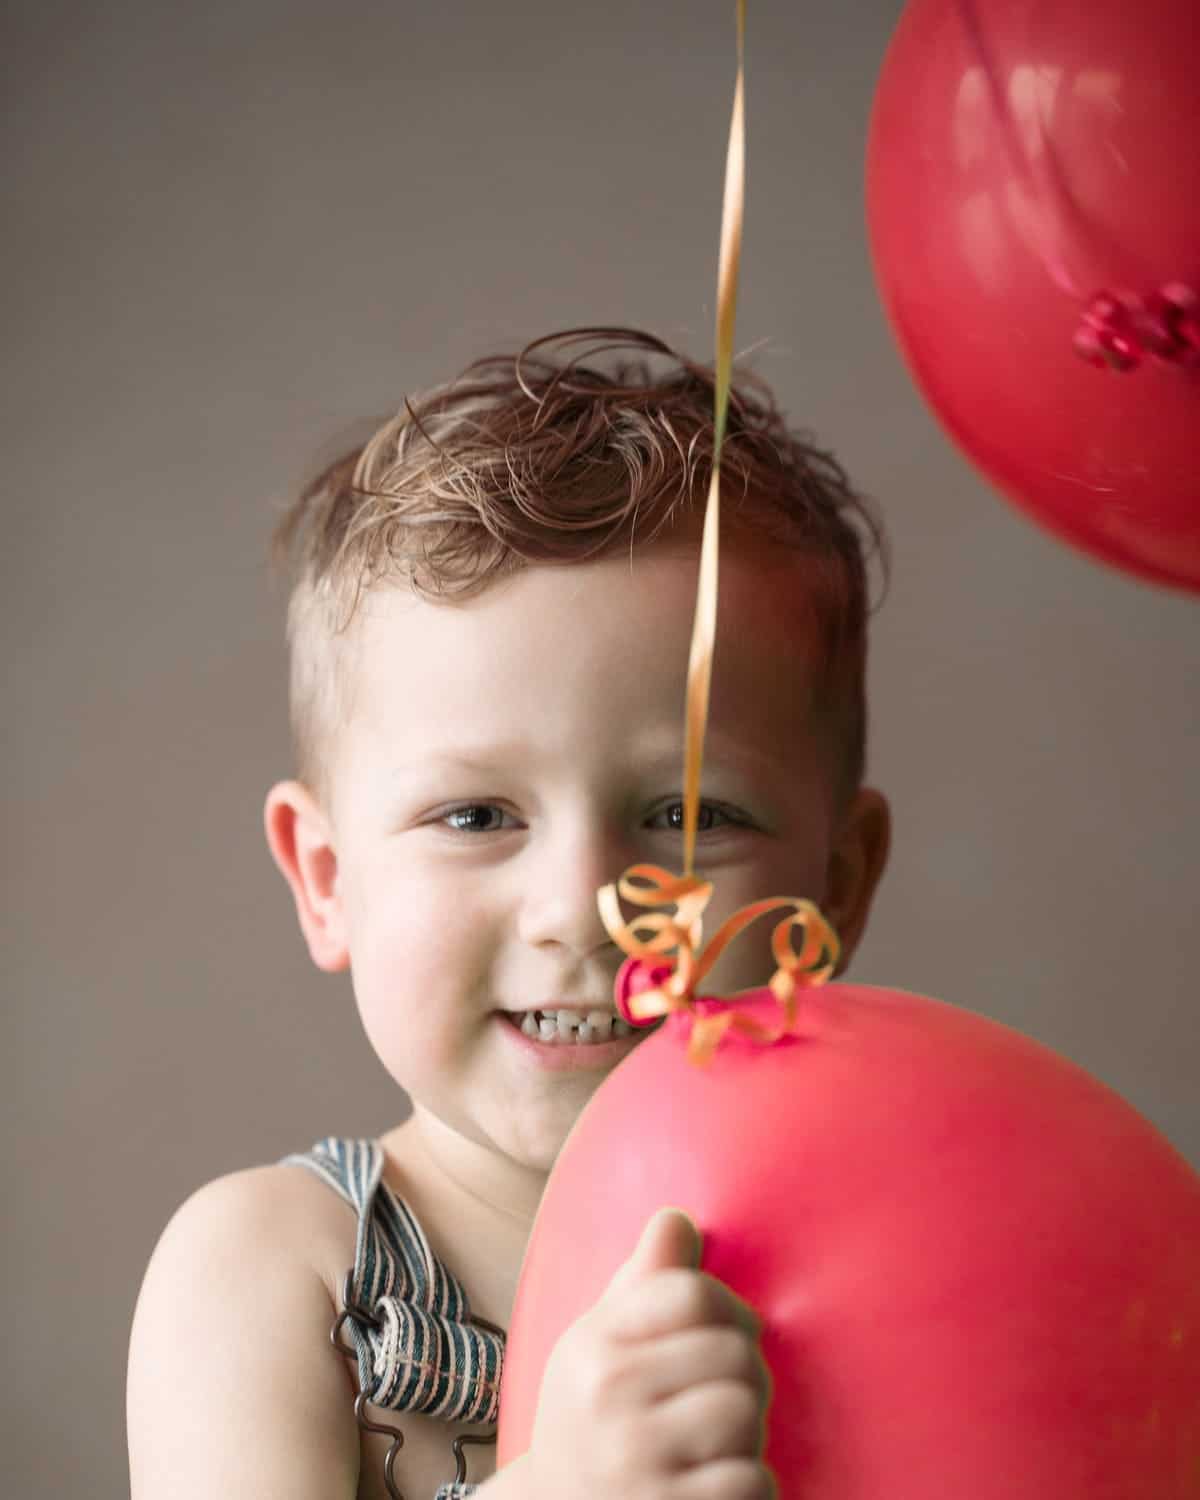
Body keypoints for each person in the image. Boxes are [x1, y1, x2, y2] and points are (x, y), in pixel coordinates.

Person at [126, 326, 892, 1500]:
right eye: (477, 817)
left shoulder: (894, 1252)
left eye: (691, 813)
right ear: (327, 880)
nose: (585, 915)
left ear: (837, 884)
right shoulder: (271, 1275)